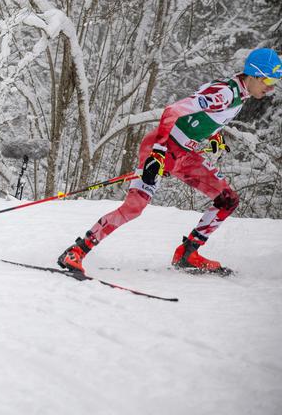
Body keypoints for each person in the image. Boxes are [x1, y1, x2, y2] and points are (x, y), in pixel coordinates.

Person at [58, 47, 279, 274]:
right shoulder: (225, 94)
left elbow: (206, 117)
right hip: (163, 148)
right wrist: (157, 153)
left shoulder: (239, 95)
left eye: (275, 82)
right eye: (268, 80)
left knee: (228, 199)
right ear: (253, 74)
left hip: (184, 156)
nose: (270, 87)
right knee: (134, 207)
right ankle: (77, 252)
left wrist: (215, 136)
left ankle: (188, 254)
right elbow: (173, 111)